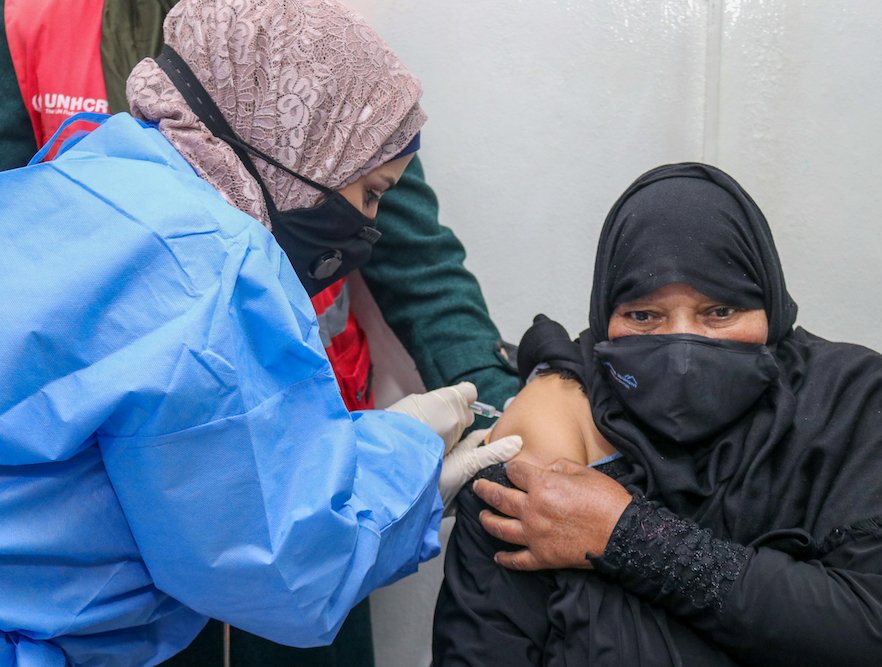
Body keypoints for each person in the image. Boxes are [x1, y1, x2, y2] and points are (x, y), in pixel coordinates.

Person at [0, 0, 522, 665]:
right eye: (368, 195)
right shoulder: (215, 264)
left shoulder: (96, 162)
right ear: (302, 149)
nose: (368, 226)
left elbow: (422, 265)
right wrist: (410, 461)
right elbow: (290, 568)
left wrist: (487, 384)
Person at [433, 162, 882, 666]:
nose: (683, 346)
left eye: (720, 311)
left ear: (770, 305)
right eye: (644, 315)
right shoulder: (548, 457)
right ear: (605, 317)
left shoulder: (848, 405)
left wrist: (626, 536)